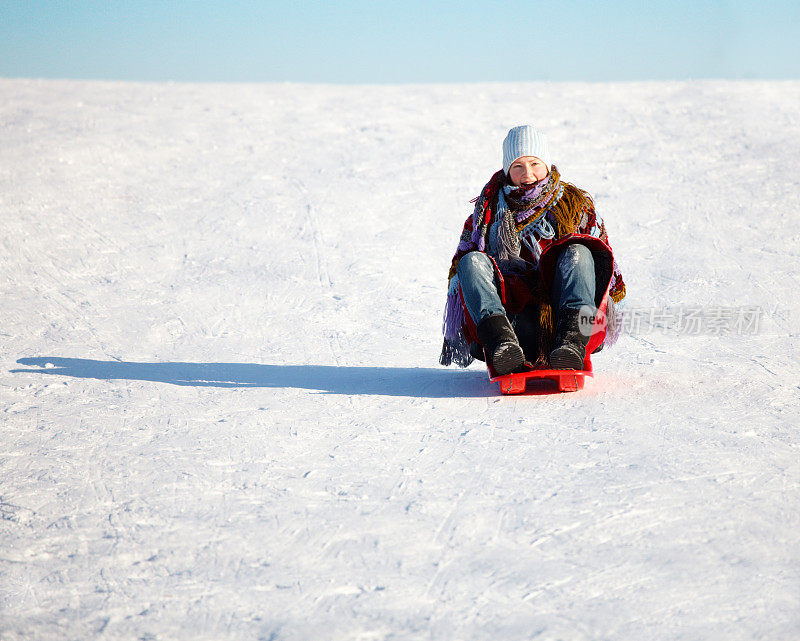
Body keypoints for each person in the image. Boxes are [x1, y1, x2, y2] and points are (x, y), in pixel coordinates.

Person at [440, 125, 626, 375]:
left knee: (580, 251)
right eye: (518, 166)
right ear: (507, 171)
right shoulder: (486, 213)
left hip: (558, 319)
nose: (527, 174)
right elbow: (461, 276)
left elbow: (605, 266)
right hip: (511, 320)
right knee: (471, 262)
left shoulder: (576, 205)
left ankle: (572, 345)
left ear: (547, 165)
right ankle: (502, 347)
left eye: (535, 164)